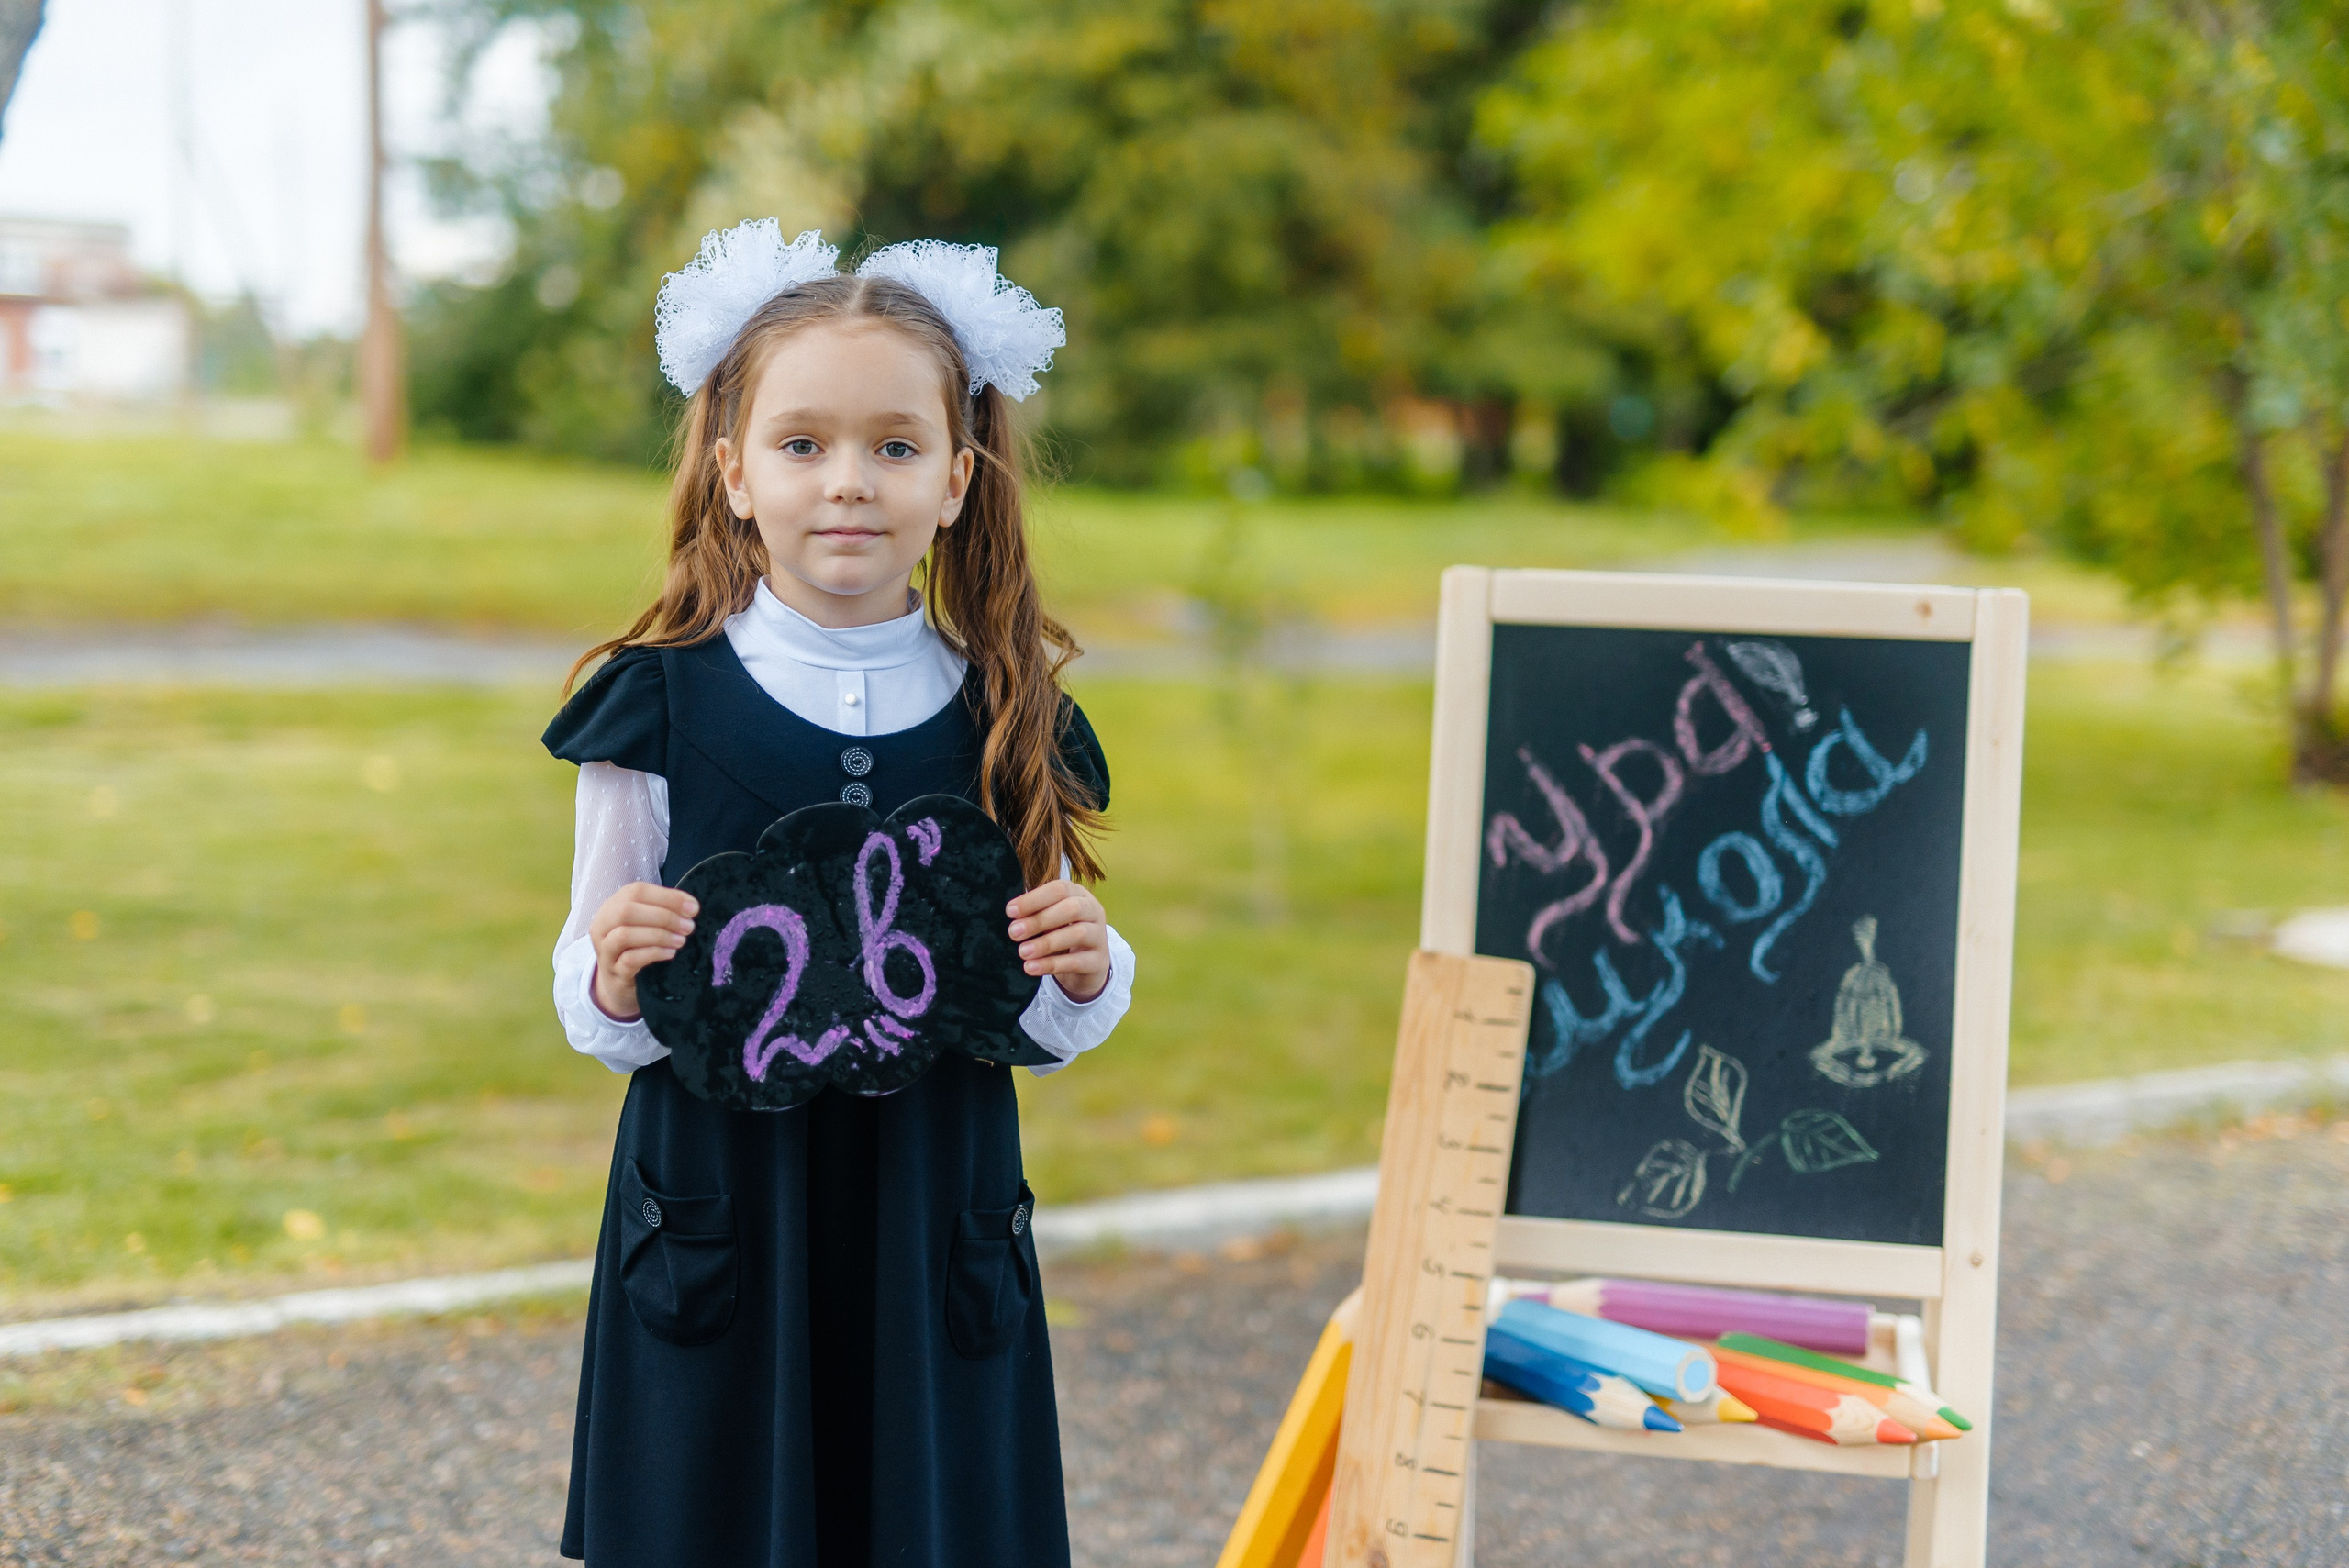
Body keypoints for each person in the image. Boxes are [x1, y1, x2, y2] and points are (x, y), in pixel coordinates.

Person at [540, 221, 1135, 1567]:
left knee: (923, 1521)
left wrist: (1088, 968)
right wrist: (614, 968)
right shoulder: (656, 707)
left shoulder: (1011, 714)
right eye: (803, 445)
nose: (848, 483)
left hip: (933, 1205)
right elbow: (597, 995)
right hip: (723, 1208)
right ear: (734, 472)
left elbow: (1030, 1013)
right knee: (721, 1519)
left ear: (958, 480)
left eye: (895, 446)